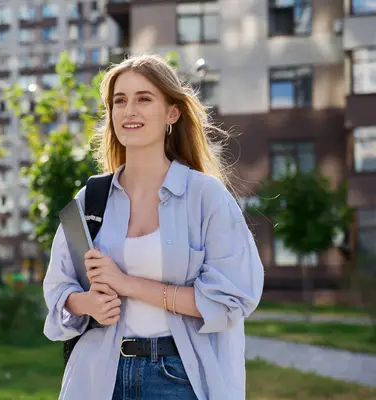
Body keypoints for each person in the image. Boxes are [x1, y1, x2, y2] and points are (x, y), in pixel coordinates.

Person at [43, 53, 264, 400]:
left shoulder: (206, 197)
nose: (129, 111)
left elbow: (232, 299)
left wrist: (126, 283)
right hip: (98, 376)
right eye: (120, 101)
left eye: (144, 99)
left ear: (172, 113)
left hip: (179, 378)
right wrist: (86, 304)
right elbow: (59, 289)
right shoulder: (92, 198)